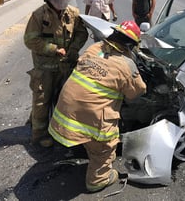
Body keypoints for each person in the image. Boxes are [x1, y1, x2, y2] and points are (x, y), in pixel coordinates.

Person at [48, 20, 147, 193]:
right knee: (105, 146)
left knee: (88, 133)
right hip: (89, 120)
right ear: (131, 45)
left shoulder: (94, 48)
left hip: (62, 113)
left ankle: (86, 145)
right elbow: (137, 92)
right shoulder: (126, 65)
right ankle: (98, 179)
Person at [24, 0, 88, 148]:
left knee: (67, 99)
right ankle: (39, 134)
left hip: (67, 65)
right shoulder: (39, 16)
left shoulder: (73, 13)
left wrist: (73, 49)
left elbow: (82, 34)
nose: (62, 1)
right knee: (42, 100)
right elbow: (30, 41)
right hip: (45, 68)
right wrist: (53, 49)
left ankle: (64, 130)